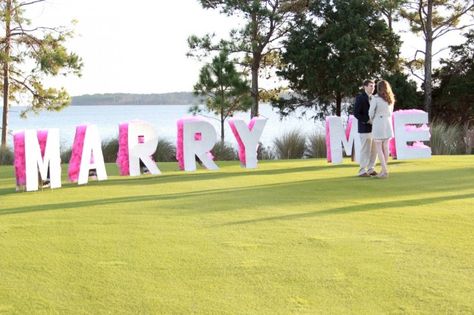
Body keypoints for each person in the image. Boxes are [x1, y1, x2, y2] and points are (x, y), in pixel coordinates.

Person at [369, 80, 395, 178]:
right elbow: (391, 112)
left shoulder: (375, 98)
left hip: (378, 123)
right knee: (386, 147)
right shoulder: (390, 98)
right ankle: (383, 171)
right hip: (387, 123)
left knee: (379, 148)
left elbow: (370, 112)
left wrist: (372, 120)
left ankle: (384, 171)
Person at [354, 79, 377, 177]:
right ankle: (362, 170)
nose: (373, 88)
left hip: (375, 128)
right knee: (365, 150)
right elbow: (356, 113)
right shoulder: (360, 98)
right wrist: (367, 120)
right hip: (364, 128)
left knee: (374, 150)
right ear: (365, 87)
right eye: (371, 86)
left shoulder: (375, 98)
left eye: (374, 86)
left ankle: (371, 169)